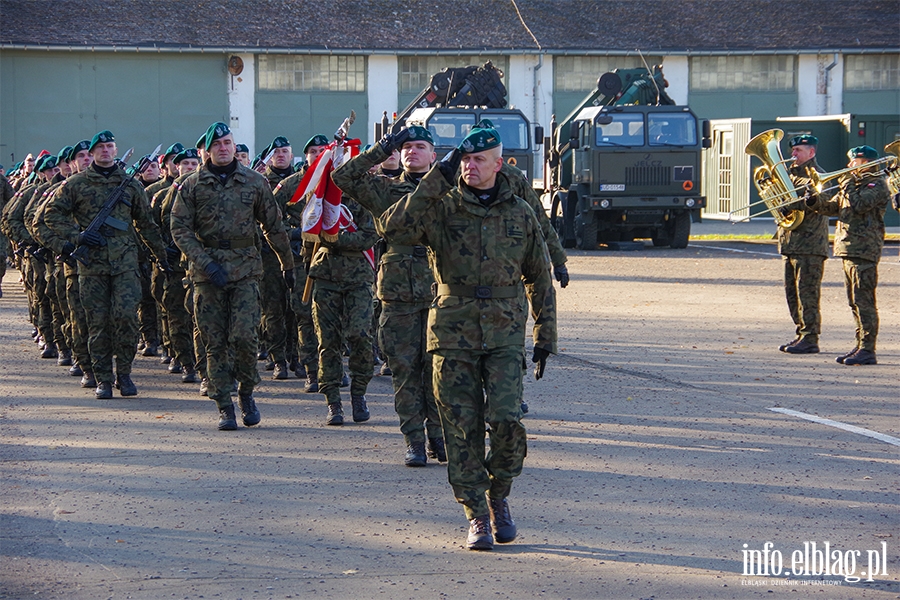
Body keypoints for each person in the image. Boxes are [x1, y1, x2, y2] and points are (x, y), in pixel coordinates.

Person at [380, 122, 557, 551]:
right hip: (452, 332)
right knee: (461, 428)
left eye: (479, 159)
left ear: (500, 165)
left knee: (507, 421)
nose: (470, 166)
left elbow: (539, 275)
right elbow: (392, 227)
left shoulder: (520, 212)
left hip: (504, 332)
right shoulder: (441, 207)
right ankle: (476, 513)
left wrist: (545, 333)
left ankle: (499, 497)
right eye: (464, 159)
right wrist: (434, 180)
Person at [332, 125, 444, 466]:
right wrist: (383, 148)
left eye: (419, 146)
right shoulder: (385, 190)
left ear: (433, 155)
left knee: (439, 371)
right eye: (406, 147)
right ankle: (413, 439)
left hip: (442, 292)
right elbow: (343, 177)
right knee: (405, 369)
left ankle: (439, 437)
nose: (412, 152)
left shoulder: (450, 189)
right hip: (397, 293)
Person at [171, 122, 294, 430]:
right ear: (207, 150)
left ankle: (247, 393)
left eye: (227, 142)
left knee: (244, 337)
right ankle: (224, 404)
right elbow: (179, 229)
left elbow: (273, 226)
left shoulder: (254, 181)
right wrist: (203, 261)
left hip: (245, 270)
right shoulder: (192, 184)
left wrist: (288, 265)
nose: (223, 148)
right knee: (214, 340)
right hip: (207, 271)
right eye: (217, 144)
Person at [44, 130, 170, 399]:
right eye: (99, 147)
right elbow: (50, 215)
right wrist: (75, 236)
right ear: (91, 154)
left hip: (125, 263)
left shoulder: (130, 185)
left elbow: (146, 225)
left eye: (109, 146)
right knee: (97, 323)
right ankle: (102, 378)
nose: (105, 150)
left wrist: (161, 256)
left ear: (115, 151)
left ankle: (124, 374)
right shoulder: (75, 184)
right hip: (92, 266)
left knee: (126, 318)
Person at [806, 145, 890, 365]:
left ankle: (868, 349)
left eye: (854, 162)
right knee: (854, 302)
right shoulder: (852, 185)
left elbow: (860, 205)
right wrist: (814, 202)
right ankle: (860, 344)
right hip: (847, 248)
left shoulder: (877, 185)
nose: (849, 165)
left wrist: (847, 183)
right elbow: (835, 208)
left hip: (864, 249)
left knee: (864, 302)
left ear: (866, 163)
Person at [777, 134, 829, 355]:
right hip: (790, 243)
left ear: (812, 153)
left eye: (798, 150)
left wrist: (793, 202)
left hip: (810, 244)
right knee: (792, 294)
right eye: (793, 150)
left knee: (807, 293)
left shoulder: (820, 176)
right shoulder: (786, 176)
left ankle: (810, 337)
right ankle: (801, 332)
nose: (793, 155)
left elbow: (824, 202)